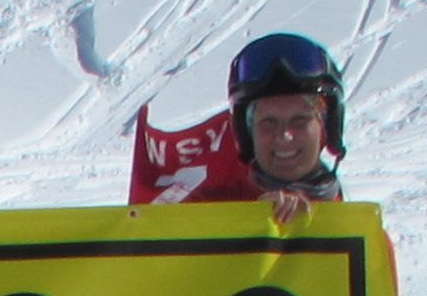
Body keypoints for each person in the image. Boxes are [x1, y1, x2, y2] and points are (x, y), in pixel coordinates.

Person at [126, 31, 346, 226]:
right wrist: (243, 221)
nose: (284, 136)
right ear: (247, 134)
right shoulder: (205, 209)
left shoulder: (358, 230)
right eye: (268, 123)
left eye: (300, 120)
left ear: (326, 127)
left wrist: (318, 225)